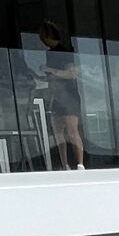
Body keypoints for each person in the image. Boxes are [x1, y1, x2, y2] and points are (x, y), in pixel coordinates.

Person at [39, 17, 84, 169]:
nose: (41, 39)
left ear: (48, 35)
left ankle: (79, 164)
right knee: (58, 133)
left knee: (71, 130)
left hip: (69, 96)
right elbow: (54, 77)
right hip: (56, 96)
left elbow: (71, 74)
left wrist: (49, 70)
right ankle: (64, 164)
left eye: (42, 35)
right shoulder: (49, 53)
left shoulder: (63, 52)